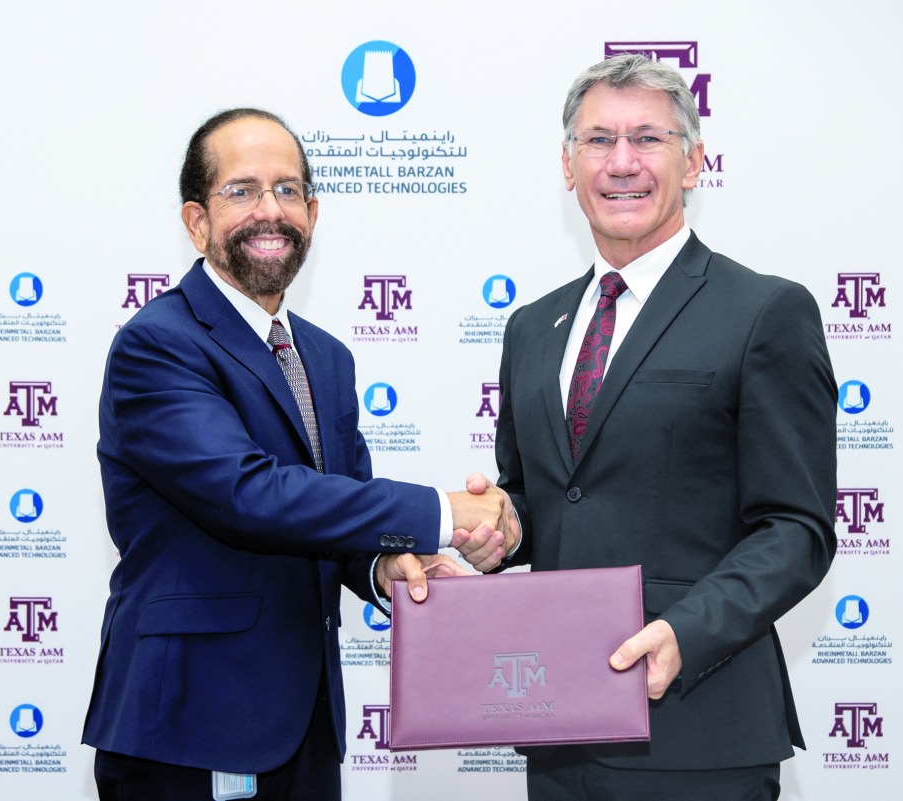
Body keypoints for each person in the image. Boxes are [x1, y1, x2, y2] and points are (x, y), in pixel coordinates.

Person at [82, 107, 515, 801]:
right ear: (196, 221)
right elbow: (248, 494)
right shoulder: (157, 344)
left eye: (288, 190)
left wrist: (390, 566)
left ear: (312, 213)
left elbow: (340, 514)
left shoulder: (326, 356)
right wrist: (442, 512)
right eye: (242, 190)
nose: (270, 210)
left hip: (307, 725)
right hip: (189, 725)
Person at [490, 55, 837, 800]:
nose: (622, 163)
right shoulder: (532, 327)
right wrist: (496, 528)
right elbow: (538, 497)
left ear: (694, 160)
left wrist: (686, 630)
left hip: (698, 730)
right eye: (598, 140)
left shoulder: (765, 311)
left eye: (647, 138)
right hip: (557, 730)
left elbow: (796, 529)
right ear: (567, 164)